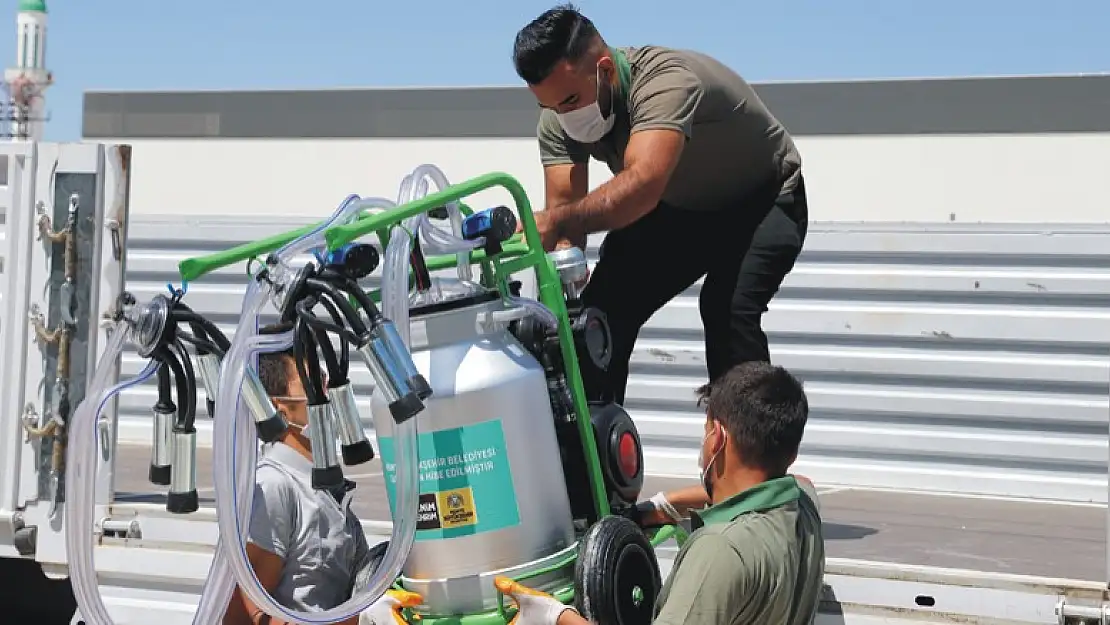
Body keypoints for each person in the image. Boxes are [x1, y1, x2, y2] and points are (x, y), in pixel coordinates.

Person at [511, 4, 809, 407]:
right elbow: (566, 222)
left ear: (605, 69)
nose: (563, 116)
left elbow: (642, 185)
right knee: (599, 314)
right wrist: (560, 264)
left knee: (727, 308)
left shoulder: (665, 81)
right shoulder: (558, 119)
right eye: (550, 107)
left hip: (763, 199)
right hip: (679, 208)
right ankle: (591, 453)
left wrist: (554, 221)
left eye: (569, 100)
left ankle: (752, 458)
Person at [494, 361, 825, 625]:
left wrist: (556, 616)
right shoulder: (803, 505)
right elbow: (796, 481)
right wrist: (662, 507)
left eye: (706, 430)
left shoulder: (720, 550)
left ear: (717, 439)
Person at [223, 322, 417, 625]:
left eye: (324, 379)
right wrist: (358, 620)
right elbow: (241, 619)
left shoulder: (326, 487)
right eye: (312, 383)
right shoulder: (274, 485)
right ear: (279, 408)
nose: (326, 392)